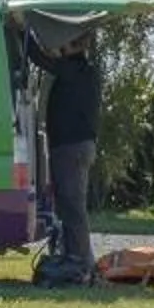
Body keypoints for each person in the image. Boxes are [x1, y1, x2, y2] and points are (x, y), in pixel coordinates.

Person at [39, 30, 103, 281]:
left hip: (70, 148)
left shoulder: (72, 69)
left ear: (71, 45)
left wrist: (22, 31)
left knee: (72, 206)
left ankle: (80, 261)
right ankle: (76, 257)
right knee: (69, 205)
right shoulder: (83, 70)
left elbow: (40, 59)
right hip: (77, 147)